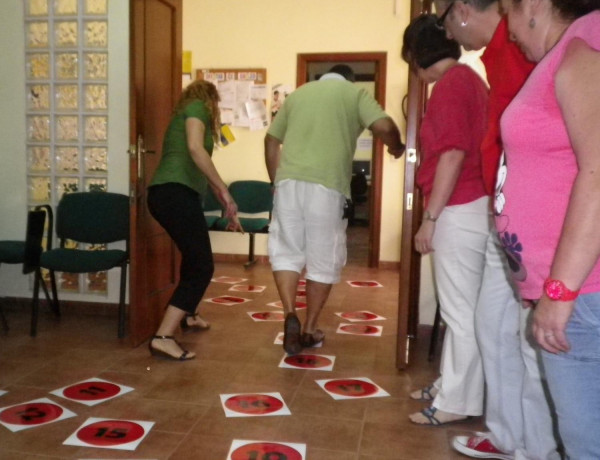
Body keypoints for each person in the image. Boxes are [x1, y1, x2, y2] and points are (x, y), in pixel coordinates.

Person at [430, 1, 561, 458]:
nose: (447, 35)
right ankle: (507, 435)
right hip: (501, 213)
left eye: (446, 21)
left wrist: (430, 217)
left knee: (533, 343)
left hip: (529, 216)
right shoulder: (494, 55)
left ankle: (537, 448)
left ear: (462, 10)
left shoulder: (525, 45)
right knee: (491, 325)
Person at [497, 1, 600, 458]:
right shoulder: (572, 48)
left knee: (586, 443)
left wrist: (559, 292)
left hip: (585, 296)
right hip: (581, 297)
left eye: (507, 10)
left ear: (535, 5)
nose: (508, 28)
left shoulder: (584, 44)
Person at [264, 64, 405, 355]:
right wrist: (397, 147)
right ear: (349, 79)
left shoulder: (297, 95)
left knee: (287, 252)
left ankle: (290, 312)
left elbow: (271, 140)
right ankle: (309, 328)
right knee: (322, 258)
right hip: (326, 187)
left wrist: (275, 181)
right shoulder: (353, 93)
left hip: (288, 183)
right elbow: (385, 127)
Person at [402, 14, 490, 427]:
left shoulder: (452, 84)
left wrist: (430, 218)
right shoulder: (468, 79)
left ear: (415, 55)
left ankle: (457, 400)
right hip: (468, 205)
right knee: (461, 308)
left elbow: (452, 153)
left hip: (459, 206)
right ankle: (449, 386)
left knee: (460, 311)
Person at [147, 79, 243, 361]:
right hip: (173, 193)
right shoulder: (197, 106)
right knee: (202, 265)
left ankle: (189, 314)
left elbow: (201, 165)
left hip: (172, 194)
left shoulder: (186, 109)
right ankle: (163, 337)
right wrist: (224, 190)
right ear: (210, 99)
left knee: (193, 258)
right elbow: (195, 149)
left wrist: (227, 201)